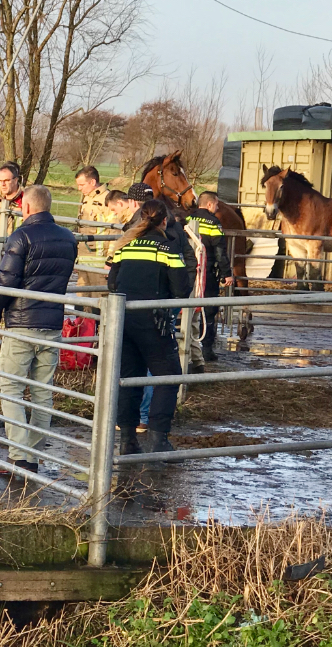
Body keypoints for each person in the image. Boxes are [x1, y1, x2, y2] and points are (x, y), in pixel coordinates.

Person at [0, 185, 78, 476]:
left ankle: (19, 456)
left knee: (11, 388)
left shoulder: (20, 237)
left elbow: (7, 280)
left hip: (21, 324)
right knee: (42, 393)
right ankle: (34, 457)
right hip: (51, 324)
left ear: (25, 208)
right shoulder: (68, 239)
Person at [106, 199, 190, 455]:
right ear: (164, 221)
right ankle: (158, 440)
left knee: (130, 380)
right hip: (155, 322)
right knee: (169, 376)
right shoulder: (168, 248)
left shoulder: (125, 246)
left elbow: (112, 285)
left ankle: (127, 441)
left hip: (124, 321)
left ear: (141, 218)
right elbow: (181, 290)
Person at [186, 192, 234, 361]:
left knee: (186, 309)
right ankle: (206, 349)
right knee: (209, 309)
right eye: (216, 204)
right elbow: (220, 251)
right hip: (207, 273)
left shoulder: (187, 218)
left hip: (188, 270)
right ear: (209, 205)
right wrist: (227, 273)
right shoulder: (214, 223)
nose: (218, 207)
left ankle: (186, 345)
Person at [75, 166, 114, 292]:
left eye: (82, 184)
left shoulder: (108, 200)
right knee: (81, 304)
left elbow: (115, 233)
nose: (79, 188)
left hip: (100, 264)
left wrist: (110, 261)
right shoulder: (87, 198)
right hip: (83, 261)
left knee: (98, 304)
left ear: (92, 182)